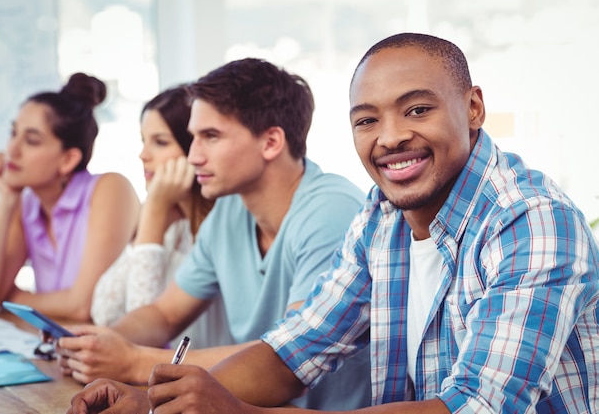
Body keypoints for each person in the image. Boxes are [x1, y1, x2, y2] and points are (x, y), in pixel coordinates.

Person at [67, 32, 599, 414]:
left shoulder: (532, 222)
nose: (388, 137)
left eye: (416, 110)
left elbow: (476, 407)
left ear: (474, 108)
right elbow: (297, 348)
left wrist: (237, 412)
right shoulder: (380, 219)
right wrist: (156, 401)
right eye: (367, 120)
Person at [59, 58, 372, 410]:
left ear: (271, 142)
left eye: (210, 136)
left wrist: (133, 361)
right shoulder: (229, 210)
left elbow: (288, 356)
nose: (193, 157)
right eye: (193, 138)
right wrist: (105, 344)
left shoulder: (331, 210)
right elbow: (164, 314)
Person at [0, 73, 140, 321]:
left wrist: (11, 299)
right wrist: (7, 199)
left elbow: (82, 307)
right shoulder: (27, 204)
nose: (11, 149)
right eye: (13, 133)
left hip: (124, 352)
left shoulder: (111, 188)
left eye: (31, 140)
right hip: (60, 353)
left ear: (68, 159)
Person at [90, 84, 234, 349]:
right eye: (144, 141)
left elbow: (144, 332)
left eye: (160, 142)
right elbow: (105, 313)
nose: (143, 155)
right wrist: (153, 221)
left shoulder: (222, 226)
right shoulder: (173, 225)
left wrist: (154, 211)